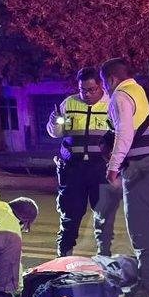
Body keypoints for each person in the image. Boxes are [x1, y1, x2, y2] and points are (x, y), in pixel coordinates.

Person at [101, 58, 149, 297]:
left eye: (104, 82)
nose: (106, 88)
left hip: (139, 166)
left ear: (111, 79)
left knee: (139, 224)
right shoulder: (147, 94)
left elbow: (124, 134)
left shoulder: (120, 96)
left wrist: (113, 166)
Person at [45, 67, 118, 258]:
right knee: (70, 214)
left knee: (103, 214)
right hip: (72, 169)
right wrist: (55, 121)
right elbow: (55, 133)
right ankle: (64, 256)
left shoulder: (111, 105)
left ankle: (104, 256)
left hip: (100, 169)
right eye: (82, 90)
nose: (86, 94)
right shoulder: (68, 103)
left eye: (91, 89)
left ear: (100, 86)